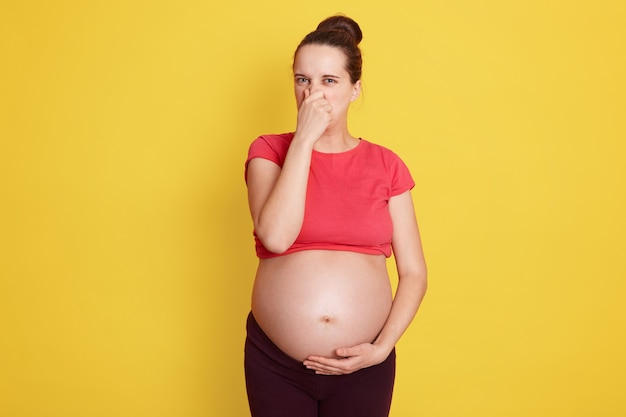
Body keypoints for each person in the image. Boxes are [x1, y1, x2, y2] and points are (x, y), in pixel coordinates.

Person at [243, 14, 427, 417]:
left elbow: (414, 272)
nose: (313, 93)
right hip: (277, 365)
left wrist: (381, 348)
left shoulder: (387, 165)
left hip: (365, 366)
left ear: (355, 89)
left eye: (329, 81)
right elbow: (275, 237)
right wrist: (304, 140)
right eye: (302, 79)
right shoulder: (269, 152)